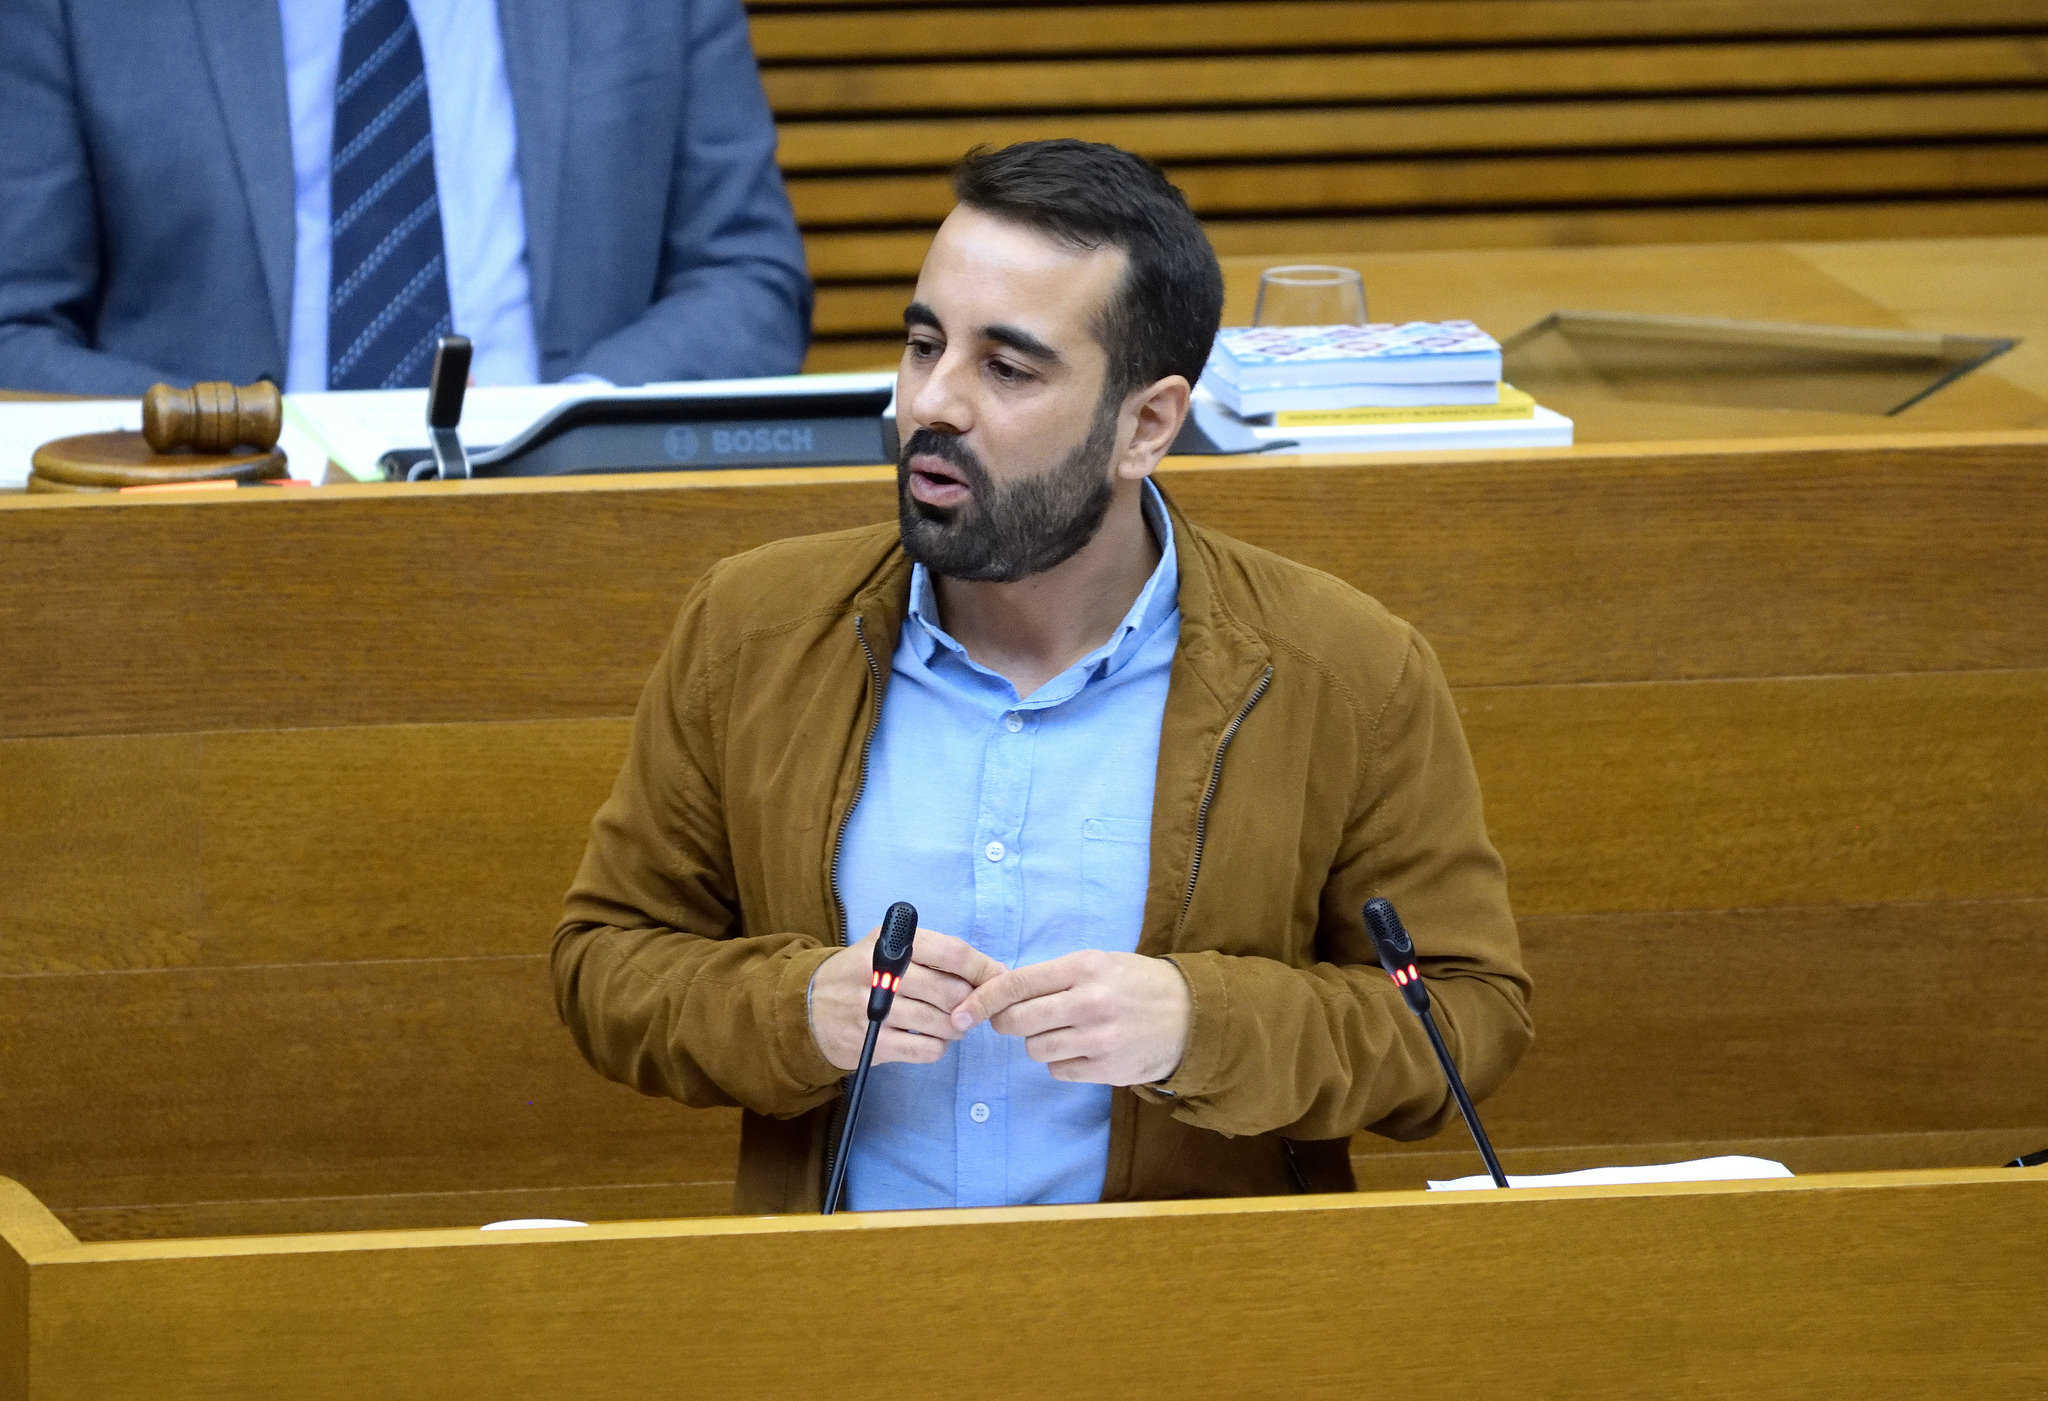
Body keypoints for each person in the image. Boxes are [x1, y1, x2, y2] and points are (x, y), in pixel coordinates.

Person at [551, 139, 1531, 1214]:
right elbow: (606, 962)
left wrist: (1203, 1026)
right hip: (849, 1323)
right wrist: (797, 1009)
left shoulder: (1343, 669)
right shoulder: (753, 630)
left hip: (1190, 1328)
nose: (934, 403)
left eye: (1005, 369)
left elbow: (1463, 1017)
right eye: (923, 344)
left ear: (1145, 425)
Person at [0, 0, 810, 396]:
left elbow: (750, 278)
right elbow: (14, 329)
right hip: (201, 546)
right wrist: (210, 438)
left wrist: (571, 424)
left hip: (561, 524)